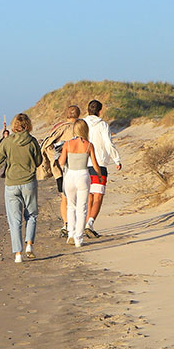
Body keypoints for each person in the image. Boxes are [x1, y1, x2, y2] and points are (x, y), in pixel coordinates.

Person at [0, 113, 43, 263]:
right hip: (29, 182)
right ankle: (29, 244)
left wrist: (9, 162)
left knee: (14, 221)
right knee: (31, 215)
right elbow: (39, 161)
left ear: (14, 125)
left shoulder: (7, 142)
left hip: (11, 183)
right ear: (28, 125)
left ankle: (18, 254)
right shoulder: (32, 141)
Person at [58, 119, 101, 247]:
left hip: (70, 175)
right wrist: (99, 175)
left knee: (71, 206)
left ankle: (71, 233)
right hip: (83, 175)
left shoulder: (68, 144)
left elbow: (61, 162)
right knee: (82, 208)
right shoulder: (89, 145)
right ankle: (79, 238)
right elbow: (95, 164)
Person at [40, 105, 81, 238]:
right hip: (78, 168)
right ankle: (76, 224)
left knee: (64, 197)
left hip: (61, 170)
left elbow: (46, 144)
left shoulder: (60, 128)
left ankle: (66, 224)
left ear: (67, 115)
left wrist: (54, 160)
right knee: (77, 198)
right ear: (79, 115)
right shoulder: (81, 127)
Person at [83, 100, 122, 238]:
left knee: (89, 196)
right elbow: (108, 144)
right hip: (99, 164)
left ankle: (86, 224)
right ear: (100, 111)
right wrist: (116, 159)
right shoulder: (103, 125)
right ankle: (90, 223)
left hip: (84, 164)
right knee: (98, 197)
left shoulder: (82, 123)